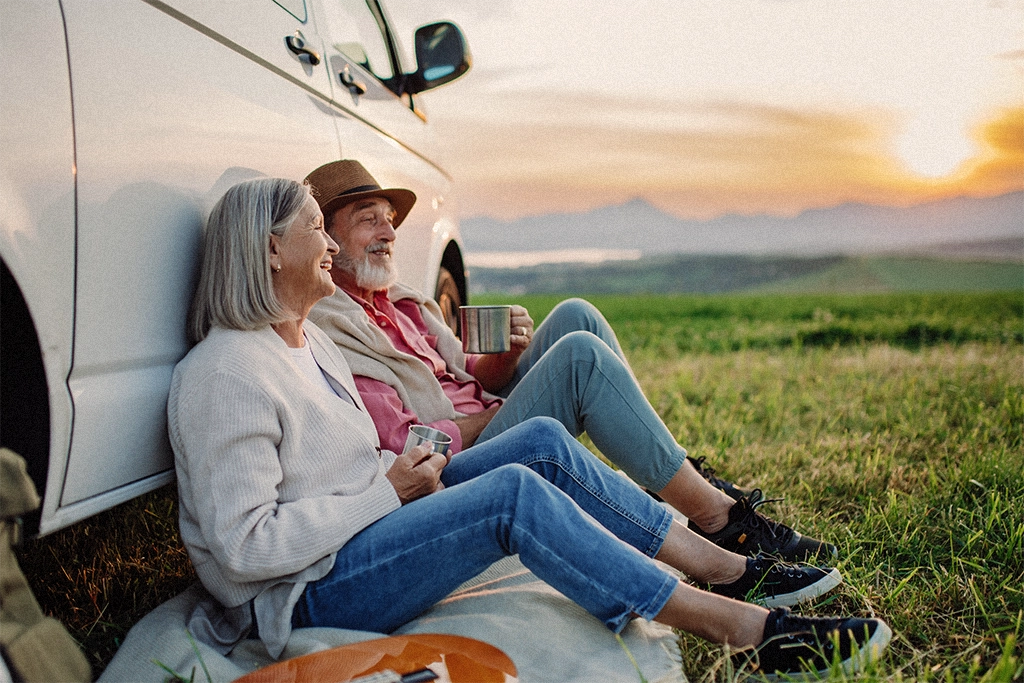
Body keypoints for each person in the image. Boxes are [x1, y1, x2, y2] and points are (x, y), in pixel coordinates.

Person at [168, 177, 891, 679]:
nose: (328, 242)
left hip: (368, 523)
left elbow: (353, 460)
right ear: (268, 249)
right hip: (312, 585)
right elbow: (242, 547)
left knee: (542, 441)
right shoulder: (225, 372)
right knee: (512, 493)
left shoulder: (308, 340)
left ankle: (727, 565)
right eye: (314, 227)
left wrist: (407, 473)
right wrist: (386, 493)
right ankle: (741, 630)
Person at [305, 159, 833, 563]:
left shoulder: (402, 303)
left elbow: (467, 380)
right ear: (325, 237)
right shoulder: (334, 329)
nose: (390, 233)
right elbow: (409, 448)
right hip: (457, 468)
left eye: (390, 220)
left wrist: (505, 358)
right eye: (368, 220)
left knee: (576, 316)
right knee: (578, 360)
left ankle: (676, 471)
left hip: (487, 418)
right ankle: (720, 520)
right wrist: (496, 411)